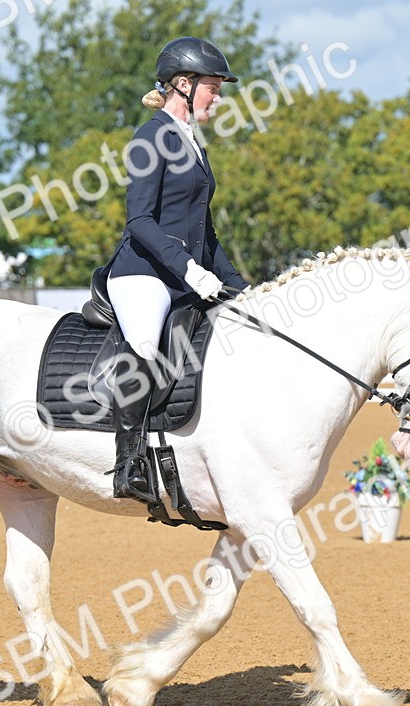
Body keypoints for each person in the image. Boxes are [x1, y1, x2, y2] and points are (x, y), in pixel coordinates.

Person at [104, 36, 250, 503]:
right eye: (213, 86)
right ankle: (128, 464)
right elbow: (140, 221)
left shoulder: (195, 145)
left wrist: (240, 287)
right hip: (142, 274)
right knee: (146, 344)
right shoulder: (150, 136)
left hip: (187, 273)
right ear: (183, 85)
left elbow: (205, 233)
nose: (218, 96)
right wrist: (188, 269)